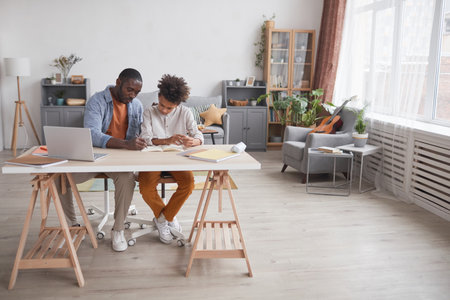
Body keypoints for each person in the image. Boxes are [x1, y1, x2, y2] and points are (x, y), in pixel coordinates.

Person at [56, 68, 147, 252]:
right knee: (60, 179)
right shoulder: (97, 101)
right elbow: (92, 134)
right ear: (118, 82)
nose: (133, 95)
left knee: (126, 179)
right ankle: (72, 225)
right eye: (130, 90)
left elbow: (140, 133)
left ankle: (118, 229)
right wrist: (126, 144)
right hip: (95, 156)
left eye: (137, 92)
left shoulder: (136, 105)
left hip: (121, 158)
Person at [139, 74, 203, 244]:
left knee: (188, 183)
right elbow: (145, 138)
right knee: (145, 187)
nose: (164, 110)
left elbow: (198, 135)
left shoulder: (186, 112)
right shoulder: (149, 112)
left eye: (169, 108)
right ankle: (165, 219)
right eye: (162, 105)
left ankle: (164, 218)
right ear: (158, 97)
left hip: (177, 157)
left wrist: (193, 141)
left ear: (177, 105)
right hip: (153, 157)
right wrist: (166, 140)